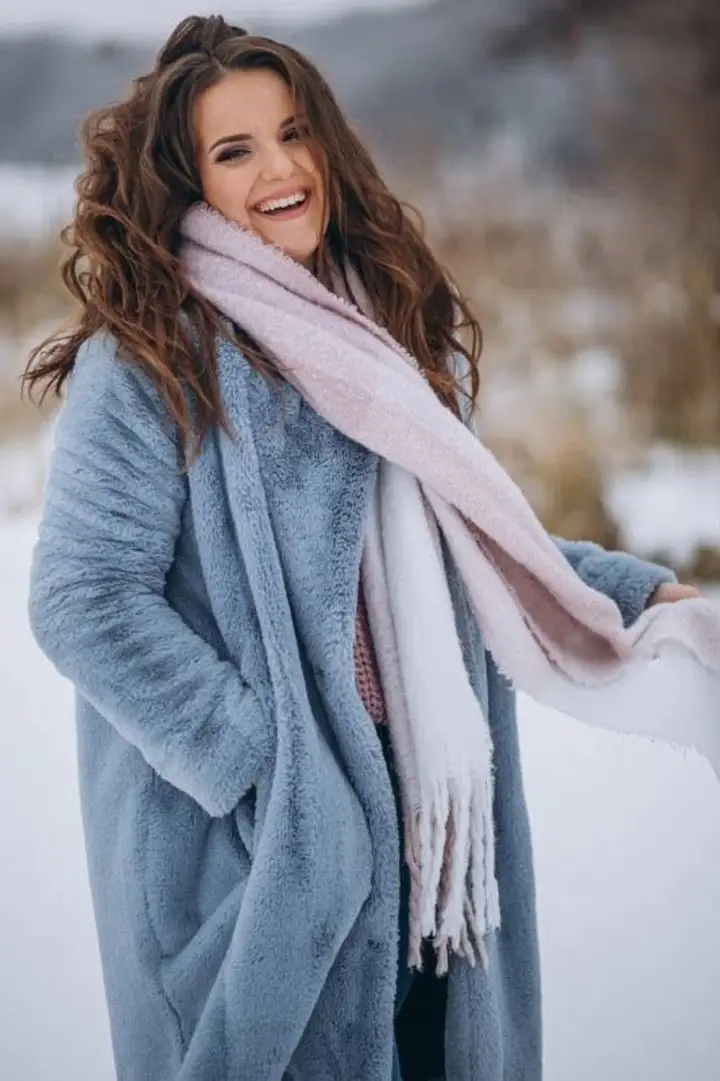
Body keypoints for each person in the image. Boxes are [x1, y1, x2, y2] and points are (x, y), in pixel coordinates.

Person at [24, 15, 700, 1081]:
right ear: (187, 179)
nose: (282, 170)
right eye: (235, 150)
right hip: (266, 858)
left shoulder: (384, 342)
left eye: (293, 134)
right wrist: (268, 772)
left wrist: (637, 593)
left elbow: (474, 539)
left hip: (432, 835)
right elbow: (83, 598)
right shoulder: (150, 361)